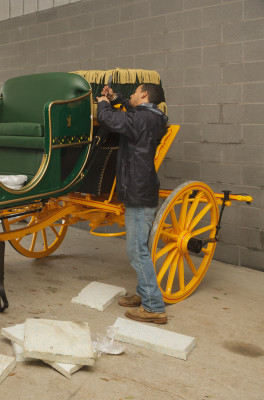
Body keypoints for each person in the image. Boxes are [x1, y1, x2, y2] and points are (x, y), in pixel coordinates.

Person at [96, 83, 168, 324]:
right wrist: (116, 97)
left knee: (136, 251)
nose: (133, 96)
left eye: (136, 92)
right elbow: (129, 110)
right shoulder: (152, 117)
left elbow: (109, 120)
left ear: (144, 94)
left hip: (138, 192)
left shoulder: (141, 119)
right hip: (142, 188)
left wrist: (103, 103)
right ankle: (144, 294)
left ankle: (154, 307)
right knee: (140, 248)